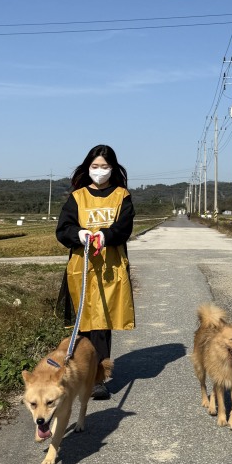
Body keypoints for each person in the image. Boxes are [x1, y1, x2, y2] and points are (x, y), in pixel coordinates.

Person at [55, 144, 135, 400]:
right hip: (82, 266)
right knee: (83, 322)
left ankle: (99, 377)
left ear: (113, 169)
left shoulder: (122, 195)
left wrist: (104, 235)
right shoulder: (77, 197)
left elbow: (124, 228)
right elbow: (63, 228)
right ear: (87, 167)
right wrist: (79, 233)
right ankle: (81, 371)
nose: (99, 172)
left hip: (109, 266)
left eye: (104, 167)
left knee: (101, 322)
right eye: (95, 167)